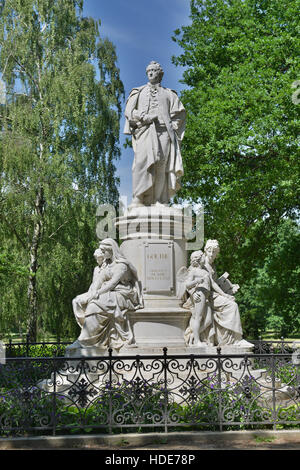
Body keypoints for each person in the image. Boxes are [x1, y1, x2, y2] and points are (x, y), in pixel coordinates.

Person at [124, 61, 186, 206]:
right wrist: (143, 117)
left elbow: (180, 113)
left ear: (160, 73)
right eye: (149, 71)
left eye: (154, 70)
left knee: (161, 166)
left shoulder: (169, 94)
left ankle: (160, 200)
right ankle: (138, 198)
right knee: (140, 163)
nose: (151, 73)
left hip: (164, 132)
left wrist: (174, 125)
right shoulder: (138, 92)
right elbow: (129, 111)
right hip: (145, 131)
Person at [75, 239, 143, 351]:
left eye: (103, 250)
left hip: (124, 294)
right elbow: (99, 281)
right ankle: (88, 339)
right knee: (86, 301)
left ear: (111, 250)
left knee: (94, 304)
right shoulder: (108, 265)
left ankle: (87, 340)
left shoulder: (121, 266)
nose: (102, 253)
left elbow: (112, 283)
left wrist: (96, 294)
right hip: (112, 293)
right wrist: (89, 295)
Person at [203, 239, 252, 347]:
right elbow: (212, 284)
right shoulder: (203, 264)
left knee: (232, 302)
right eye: (210, 251)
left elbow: (216, 283)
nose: (211, 254)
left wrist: (229, 287)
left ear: (217, 253)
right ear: (205, 250)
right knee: (232, 305)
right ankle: (236, 340)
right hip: (208, 296)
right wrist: (225, 295)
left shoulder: (212, 265)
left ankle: (233, 339)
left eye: (214, 252)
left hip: (213, 295)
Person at [182, 250, 233, 347]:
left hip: (207, 297)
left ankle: (193, 335)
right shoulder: (193, 271)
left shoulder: (205, 271)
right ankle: (197, 341)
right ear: (198, 259)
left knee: (209, 320)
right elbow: (187, 284)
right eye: (202, 256)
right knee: (199, 317)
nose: (204, 257)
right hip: (200, 295)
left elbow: (213, 284)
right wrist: (196, 281)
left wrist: (224, 295)